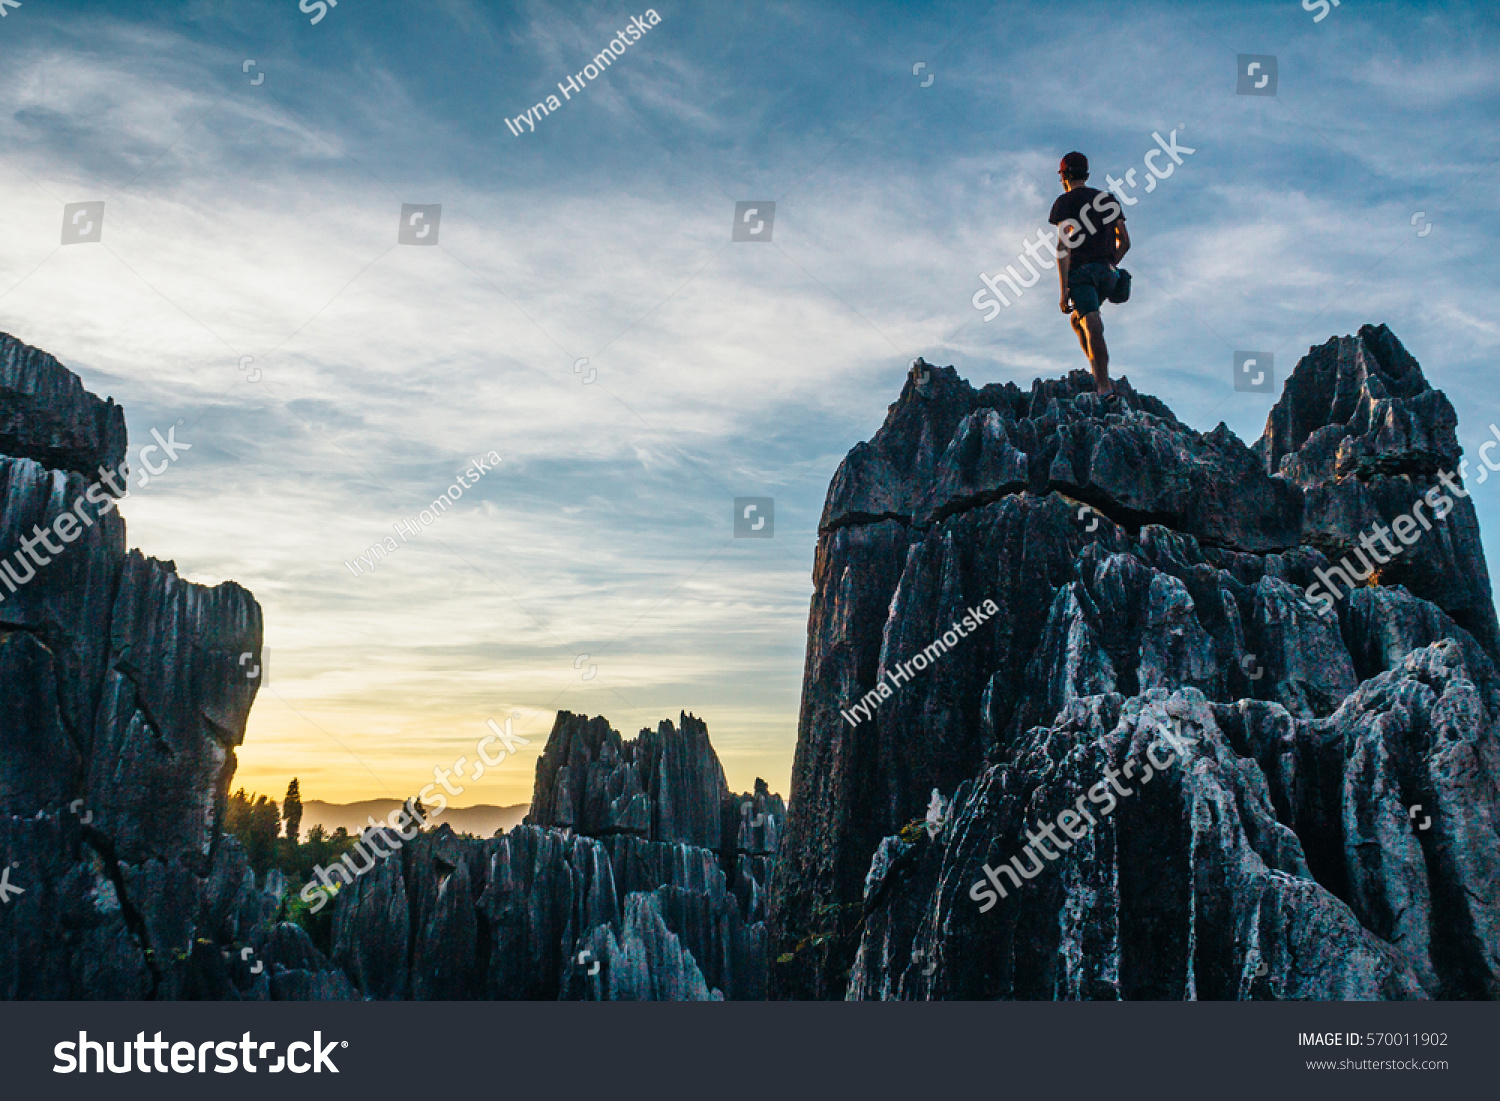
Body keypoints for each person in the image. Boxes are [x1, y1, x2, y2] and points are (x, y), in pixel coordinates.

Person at [1049, 151, 1130, 400]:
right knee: (1078, 321)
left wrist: (1063, 292)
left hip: (1082, 275)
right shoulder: (1107, 199)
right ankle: (1098, 371)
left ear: (1063, 176)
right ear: (1086, 174)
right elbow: (1125, 242)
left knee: (1092, 322)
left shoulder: (1065, 202)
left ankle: (1104, 387)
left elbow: (1063, 248)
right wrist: (1109, 264)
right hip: (1108, 274)